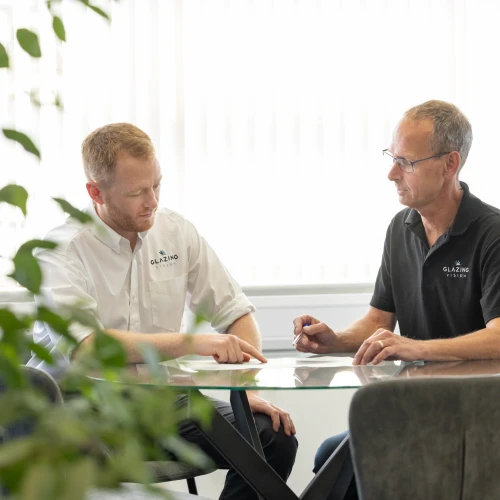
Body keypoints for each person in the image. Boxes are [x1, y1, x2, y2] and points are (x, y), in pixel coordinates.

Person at [28, 122, 297, 500]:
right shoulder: (61, 250)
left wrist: (241, 388)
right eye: (136, 192)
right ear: (96, 192)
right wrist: (192, 343)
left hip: (166, 404)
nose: (152, 201)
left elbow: (235, 313)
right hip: (82, 409)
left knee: (271, 436)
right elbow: (89, 347)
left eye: (157, 185)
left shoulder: (176, 232)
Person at [293, 100, 500, 499]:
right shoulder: (400, 228)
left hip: (478, 416)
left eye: (406, 162)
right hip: (417, 406)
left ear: (450, 164)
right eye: (392, 157)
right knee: (330, 456)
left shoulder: (492, 234)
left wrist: (415, 348)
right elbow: (378, 321)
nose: (391, 173)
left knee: (344, 461)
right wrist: (333, 340)